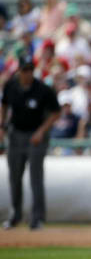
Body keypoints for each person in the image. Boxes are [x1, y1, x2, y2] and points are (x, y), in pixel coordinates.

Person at [0, 55, 60, 230]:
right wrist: (2, 125)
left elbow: (55, 112)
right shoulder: (11, 86)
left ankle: (37, 218)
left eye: (30, 70)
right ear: (19, 70)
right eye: (24, 70)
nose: (27, 73)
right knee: (14, 177)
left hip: (35, 136)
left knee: (36, 177)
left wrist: (41, 131)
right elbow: (4, 105)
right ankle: (15, 216)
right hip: (15, 134)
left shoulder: (42, 89)